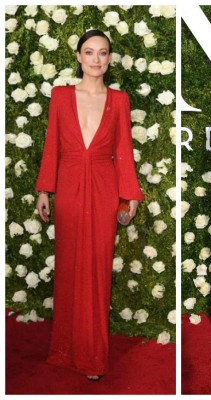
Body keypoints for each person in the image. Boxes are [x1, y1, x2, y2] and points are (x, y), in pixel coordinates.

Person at [35, 29, 144, 380]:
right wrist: (43, 190)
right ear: (79, 57)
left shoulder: (120, 99)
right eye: (89, 52)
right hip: (67, 187)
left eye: (103, 53)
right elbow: (52, 144)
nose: (96, 59)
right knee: (68, 266)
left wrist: (130, 196)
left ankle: (93, 358)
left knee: (97, 270)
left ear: (109, 59)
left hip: (103, 187)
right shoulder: (61, 96)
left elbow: (124, 151)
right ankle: (65, 349)